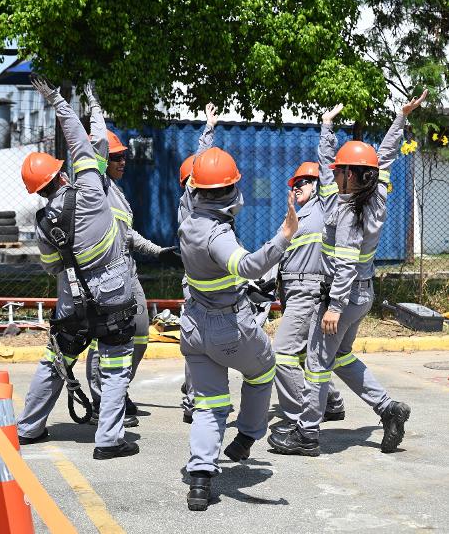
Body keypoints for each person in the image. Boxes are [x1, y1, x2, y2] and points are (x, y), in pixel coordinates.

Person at [268, 91, 428, 457]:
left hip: (343, 294)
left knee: (319, 361)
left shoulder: (348, 215)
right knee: (339, 356)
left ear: (352, 176)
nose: (334, 173)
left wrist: (334, 306)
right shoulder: (374, 192)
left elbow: (344, 262)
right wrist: (396, 120)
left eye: (341, 170)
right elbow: (379, 158)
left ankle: (306, 434)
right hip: (362, 294)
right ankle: (389, 409)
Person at [18, 74, 139, 460]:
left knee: (56, 363)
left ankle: (29, 428)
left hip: (74, 306)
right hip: (115, 300)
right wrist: (60, 102)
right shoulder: (90, 190)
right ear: (62, 173)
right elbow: (83, 140)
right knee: (116, 369)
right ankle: (108, 440)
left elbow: (52, 267)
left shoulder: (43, 223)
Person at [178, 146, 299, 511]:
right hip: (228, 326)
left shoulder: (186, 216)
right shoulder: (217, 235)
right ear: (231, 192)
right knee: (263, 371)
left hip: (193, 327)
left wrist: (208, 139)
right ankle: (247, 436)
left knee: (210, 404)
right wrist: (283, 236)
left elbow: (196, 178)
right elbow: (245, 267)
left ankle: (199, 479)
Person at [83, 83, 182, 427]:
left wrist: (160, 252)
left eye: (124, 156)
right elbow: (94, 148)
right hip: (105, 279)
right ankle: (102, 400)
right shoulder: (96, 190)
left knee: (139, 336)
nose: (123, 161)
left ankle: (117, 390)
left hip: (130, 275)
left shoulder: (119, 196)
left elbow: (129, 235)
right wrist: (94, 106)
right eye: (116, 157)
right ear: (102, 161)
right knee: (106, 340)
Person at [271, 134, 346, 435]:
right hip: (291, 292)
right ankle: (331, 402)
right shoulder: (296, 214)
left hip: (308, 292)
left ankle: (299, 417)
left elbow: (328, 176)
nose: (297, 186)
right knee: (306, 356)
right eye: (295, 183)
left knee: (283, 355)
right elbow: (275, 250)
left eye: (304, 181)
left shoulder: (325, 210)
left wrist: (326, 131)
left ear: (318, 185)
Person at [178, 104, 218, 424]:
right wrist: (208, 129)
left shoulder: (203, 211)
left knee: (198, 339)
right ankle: (195, 397)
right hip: (200, 284)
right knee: (200, 340)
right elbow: (199, 170)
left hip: (204, 282)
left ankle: (195, 394)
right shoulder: (191, 204)